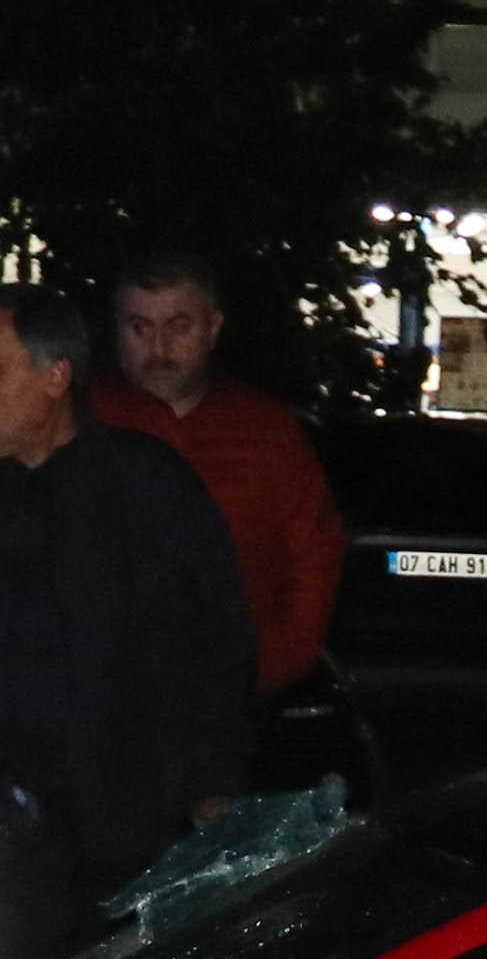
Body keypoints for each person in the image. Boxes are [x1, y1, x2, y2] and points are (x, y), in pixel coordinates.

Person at [0, 286, 254, 898]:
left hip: (126, 842)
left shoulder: (146, 490)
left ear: (55, 375)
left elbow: (213, 651)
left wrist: (212, 789)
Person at [93, 255, 345, 703]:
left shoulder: (266, 431)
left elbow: (313, 556)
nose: (158, 347)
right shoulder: (79, 423)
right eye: (140, 327)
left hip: (233, 700)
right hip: (98, 698)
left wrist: (268, 666)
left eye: (178, 327)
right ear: (117, 329)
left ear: (212, 328)